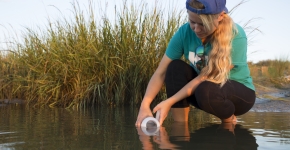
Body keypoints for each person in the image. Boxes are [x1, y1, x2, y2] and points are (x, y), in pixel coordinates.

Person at [135, 0, 256, 127]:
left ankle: (229, 122)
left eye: (203, 24)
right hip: (201, 90)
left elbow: (206, 77)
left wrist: (169, 102)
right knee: (175, 67)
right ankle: (180, 129)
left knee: (207, 90)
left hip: (237, 95)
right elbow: (161, 72)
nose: (196, 29)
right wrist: (145, 105)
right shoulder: (184, 32)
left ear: (220, 16)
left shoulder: (236, 35)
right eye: (192, 22)